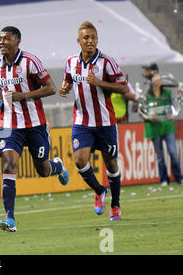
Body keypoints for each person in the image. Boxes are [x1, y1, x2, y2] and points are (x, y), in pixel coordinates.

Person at [0, 26, 69, 232]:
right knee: (9, 163)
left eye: (6, 39)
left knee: (42, 170)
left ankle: (58, 167)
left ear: (17, 41)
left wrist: (22, 96)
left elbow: (51, 88)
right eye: (0, 39)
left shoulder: (30, 62)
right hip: (9, 125)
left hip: (34, 125)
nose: (1, 43)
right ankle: (10, 219)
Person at [59, 21, 128, 221]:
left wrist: (100, 83)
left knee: (111, 164)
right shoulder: (71, 61)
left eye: (93, 38)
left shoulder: (107, 62)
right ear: (79, 41)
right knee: (80, 160)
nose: (90, 41)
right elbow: (68, 80)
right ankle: (99, 190)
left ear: (97, 40)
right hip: (82, 121)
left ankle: (115, 205)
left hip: (105, 122)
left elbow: (123, 88)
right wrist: (65, 88)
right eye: (86, 38)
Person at [140, 63, 182, 186]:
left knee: (173, 152)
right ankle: (164, 179)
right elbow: (142, 111)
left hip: (168, 125)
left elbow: (173, 107)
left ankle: (178, 177)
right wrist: (148, 117)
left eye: (159, 79)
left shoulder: (167, 93)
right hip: (154, 127)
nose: (158, 81)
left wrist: (173, 115)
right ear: (152, 82)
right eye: (156, 79)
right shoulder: (146, 95)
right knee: (160, 156)